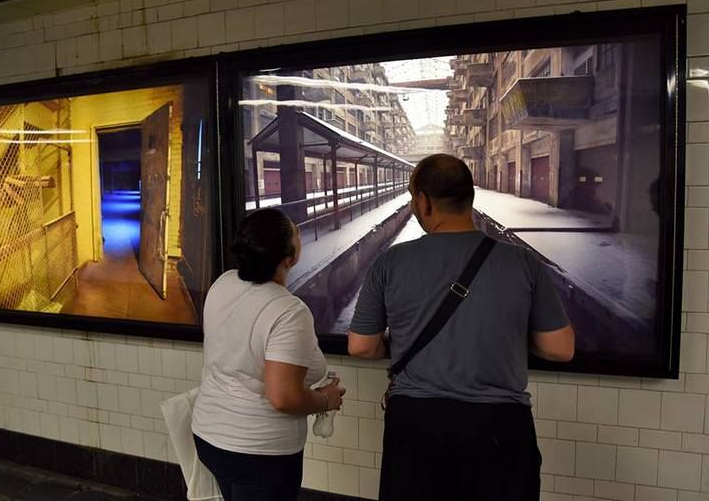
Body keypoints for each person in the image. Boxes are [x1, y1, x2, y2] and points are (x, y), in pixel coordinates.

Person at [348, 154, 574, 501]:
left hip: (416, 423)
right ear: (470, 196)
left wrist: (396, 343)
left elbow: (361, 346)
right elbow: (560, 348)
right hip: (500, 427)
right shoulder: (523, 262)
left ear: (423, 202)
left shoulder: (390, 263)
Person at [192, 208, 345, 501]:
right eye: (295, 232)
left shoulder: (223, 283)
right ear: (288, 258)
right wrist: (327, 399)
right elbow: (283, 397)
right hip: (259, 453)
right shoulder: (288, 311)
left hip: (210, 436)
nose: (300, 231)